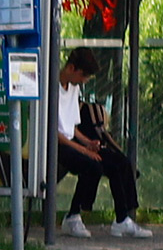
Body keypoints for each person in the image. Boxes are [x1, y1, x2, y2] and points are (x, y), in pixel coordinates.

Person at [56, 47, 151, 239]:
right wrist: (84, 150)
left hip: (71, 139)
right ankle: (74, 216)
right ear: (71, 68)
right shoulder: (52, 87)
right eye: (83, 76)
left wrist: (88, 143)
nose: (84, 81)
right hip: (57, 145)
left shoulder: (73, 88)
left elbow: (71, 126)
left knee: (118, 163)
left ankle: (122, 220)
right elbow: (55, 132)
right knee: (93, 165)